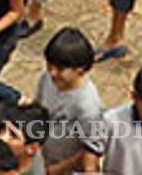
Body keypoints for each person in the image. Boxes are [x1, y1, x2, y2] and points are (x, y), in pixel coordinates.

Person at [29, 27, 102, 174]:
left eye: (60, 68)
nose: (53, 72)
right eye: (50, 65)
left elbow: (90, 151)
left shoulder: (87, 106)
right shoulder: (47, 78)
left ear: (80, 70)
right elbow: (36, 109)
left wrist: (56, 170)